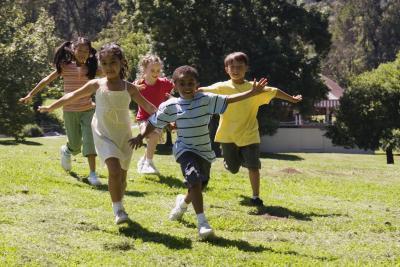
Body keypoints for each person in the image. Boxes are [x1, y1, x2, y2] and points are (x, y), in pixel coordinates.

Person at [129, 65, 267, 239]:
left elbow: (229, 99)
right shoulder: (170, 105)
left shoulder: (205, 100)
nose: (187, 87)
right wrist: (141, 136)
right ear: (175, 85)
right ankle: (203, 224)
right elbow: (155, 122)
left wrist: (251, 93)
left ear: (197, 84)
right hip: (185, 150)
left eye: (190, 83)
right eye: (182, 83)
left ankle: (182, 205)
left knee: (199, 185)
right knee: (194, 179)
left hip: (204, 152)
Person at [38, 43, 157, 224]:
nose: (109, 67)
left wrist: (165, 118)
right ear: (101, 65)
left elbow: (149, 108)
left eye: (113, 63)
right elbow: (71, 96)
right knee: (114, 171)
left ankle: (119, 202)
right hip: (103, 134)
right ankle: (118, 210)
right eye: (105, 63)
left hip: (125, 137)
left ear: (122, 63)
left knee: (122, 178)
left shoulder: (130, 88)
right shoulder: (96, 84)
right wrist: (50, 106)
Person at [199, 52, 302, 206]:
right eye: (232, 67)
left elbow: (274, 91)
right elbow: (202, 90)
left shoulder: (255, 88)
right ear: (226, 69)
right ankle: (231, 161)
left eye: (239, 67)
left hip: (249, 134)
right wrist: (186, 91)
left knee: (253, 166)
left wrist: (292, 99)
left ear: (246, 68)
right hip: (228, 136)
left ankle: (256, 197)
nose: (236, 70)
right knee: (233, 169)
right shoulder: (222, 87)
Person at [19, 37, 102, 186]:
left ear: (90, 53)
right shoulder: (65, 66)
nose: (83, 53)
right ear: (73, 50)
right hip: (70, 110)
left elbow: (111, 73)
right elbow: (46, 80)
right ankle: (67, 150)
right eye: (80, 50)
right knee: (75, 145)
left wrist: (132, 85)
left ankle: (93, 174)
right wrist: (31, 94)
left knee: (89, 140)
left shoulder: (91, 68)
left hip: (88, 109)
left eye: (86, 51)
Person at [135, 54, 174, 174]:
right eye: (152, 70)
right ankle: (148, 163)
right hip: (143, 119)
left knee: (154, 136)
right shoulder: (138, 84)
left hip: (158, 119)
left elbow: (177, 88)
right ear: (144, 69)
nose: (156, 73)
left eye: (158, 70)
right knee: (153, 136)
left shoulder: (164, 83)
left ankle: (145, 161)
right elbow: (126, 91)